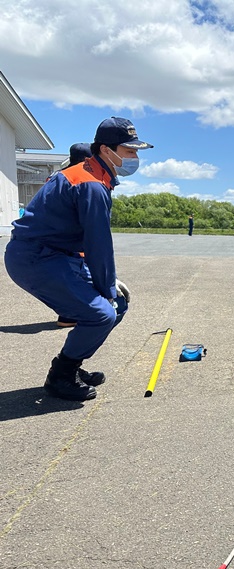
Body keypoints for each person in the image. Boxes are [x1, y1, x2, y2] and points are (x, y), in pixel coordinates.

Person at [4, 116, 152, 401]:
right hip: (36, 258)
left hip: (58, 255)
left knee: (116, 306)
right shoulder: (91, 184)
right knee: (101, 313)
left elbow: (82, 236)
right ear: (106, 150)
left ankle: (73, 365)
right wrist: (105, 285)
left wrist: (107, 284)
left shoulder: (94, 175)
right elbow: (98, 244)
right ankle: (60, 376)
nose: (135, 157)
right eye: (129, 150)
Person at [56, 143, 93, 328]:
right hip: (70, 242)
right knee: (79, 279)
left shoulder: (57, 177)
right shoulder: (81, 179)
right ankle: (71, 315)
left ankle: (68, 315)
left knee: (69, 279)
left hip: (55, 241)